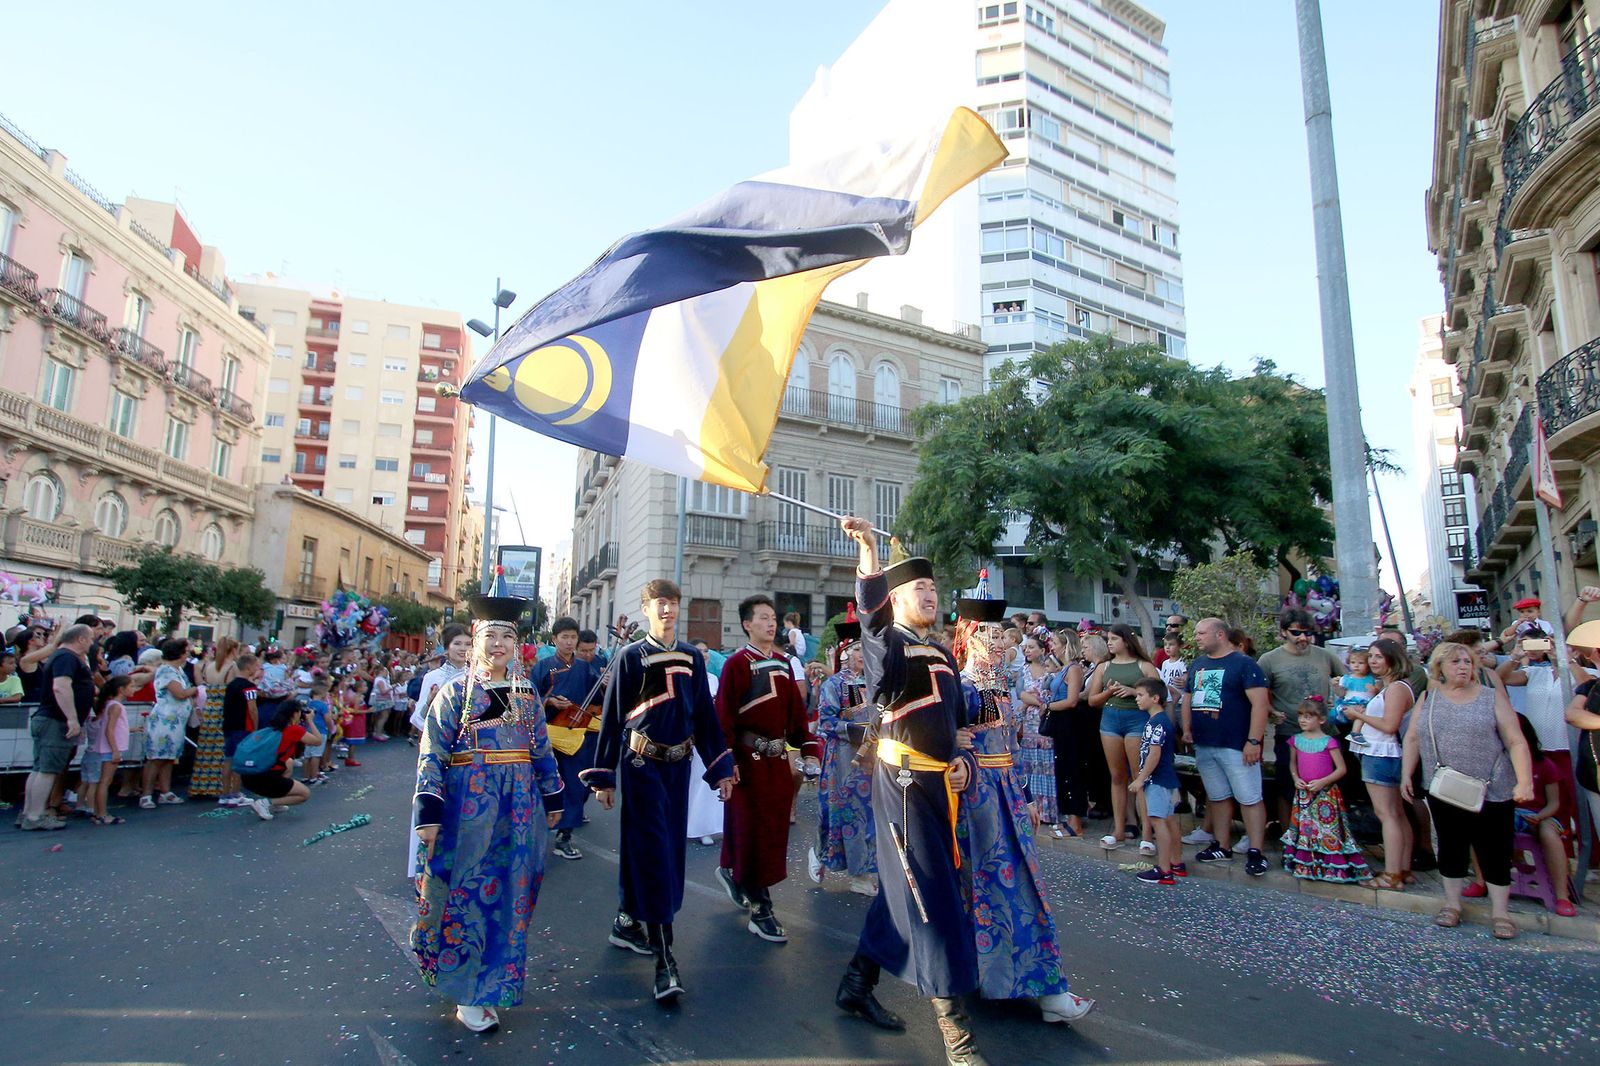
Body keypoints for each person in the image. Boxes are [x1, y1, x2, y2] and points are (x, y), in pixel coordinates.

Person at [831, 517, 988, 1066]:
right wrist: (870, 553)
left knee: (904, 889)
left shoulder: (943, 653)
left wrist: (964, 761)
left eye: (933, 587)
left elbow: (958, 726)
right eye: (918, 588)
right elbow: (870, 623)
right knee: (932, 894)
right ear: (895, 599)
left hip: (939, 785)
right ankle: (957, 1035)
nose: (930, 594)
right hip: (900, 785)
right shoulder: (887, 644)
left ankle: (856, 983)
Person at [412, 595, 564, 1032]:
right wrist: (429, 812)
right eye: (490, 636)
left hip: (519, 813)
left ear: (517, 645)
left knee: (511, 900)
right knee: (468, 899)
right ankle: (466, 993)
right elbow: (432, 756)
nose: (498, 644)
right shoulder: (453, 694)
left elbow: (541, 751)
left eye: (507, 637)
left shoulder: (526, 693)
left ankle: (493, 985)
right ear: (475, 641)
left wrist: (553, 798)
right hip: (468, 815)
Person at [581, 579, 734, 1003]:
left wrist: (720, 766)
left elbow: (704, 715)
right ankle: (665, 960)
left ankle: (627, 920)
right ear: (647, 609)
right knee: (654, 850)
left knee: (663, 851)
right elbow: (612, 719)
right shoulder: (631, 656)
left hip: (679, 767)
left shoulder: (690, 657)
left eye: (673, 603)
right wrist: (604, 775)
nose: (668, 610)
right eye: (660, 604)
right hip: (640, 766)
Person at [951, 594, 1094, 1023]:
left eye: (1001, 635)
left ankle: (1042, 984)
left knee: (1021, 886)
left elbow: (1011, 746)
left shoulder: (1002, 687)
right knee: (979, 888)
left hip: (1008, 792)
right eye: (988, 635)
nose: (998, 643)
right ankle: (982, 975)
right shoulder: (958, 686)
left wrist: (1028, 796)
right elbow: (939, 744)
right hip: (973, 799)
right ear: (970, 637)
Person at [1404, 641, 1535, 938]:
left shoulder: (1491, 698)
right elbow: (1413, 738)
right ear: (1440, 668)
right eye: (1456, 662)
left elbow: (1515, 740)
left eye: (1467, 661)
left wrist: (1524, 780)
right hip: (1445, 787)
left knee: (1495, 848)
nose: (1463, 666)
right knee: (1451, 845)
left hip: (1493, 786)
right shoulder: (1428, 698)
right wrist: (1406, 775)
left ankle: (1500, 912)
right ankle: (1452, 904)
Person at [713, 594, 817, 942]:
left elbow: (797, 718)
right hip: (746, 761)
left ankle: (735, 873)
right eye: (763, 618)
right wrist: (726, 762)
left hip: (776, 764)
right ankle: (761, 908)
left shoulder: (786, 664)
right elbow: (723, 718)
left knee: (772, 832)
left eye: (773, 618)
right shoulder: (736, 664)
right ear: (747, 624)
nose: (771, 624)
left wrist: (809, 748)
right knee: (751, 830)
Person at [1180, 618, 1272, 877]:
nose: (1196, 637)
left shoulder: (1244, 664)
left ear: (1220, 634)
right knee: (1218, 796)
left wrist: (1253, 740)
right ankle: (1222, 845)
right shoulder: (1197, 664)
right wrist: (1187, 729)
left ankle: (1256, 850)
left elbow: (1260, 704)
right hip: (1205, 742)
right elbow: (1188, 697)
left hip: (1236, 744)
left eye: (1201, 633)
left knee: (1249, 797)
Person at [1256, 608, 1346, 827]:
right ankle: (1291, 838)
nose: (1303, 638)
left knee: (1328, 787)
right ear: (1284, 632)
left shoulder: (1324, 655)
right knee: (1288, 786)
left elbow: (1348, 681)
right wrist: (1270, 711)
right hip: (1289, 733)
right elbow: (1256, 692)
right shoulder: (1269, 660)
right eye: (1296, 632)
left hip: (1326, 734)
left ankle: (1326, 837)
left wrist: (1340, 696)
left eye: (1307, 632)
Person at [810, 612, 878, 894]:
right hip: (843, 760)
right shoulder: (833, 685)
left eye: (865, 648)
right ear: (845, 653)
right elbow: (825, 723)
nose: (863, 654)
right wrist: (856, 731)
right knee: (842, 813)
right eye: (857, 649)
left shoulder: (875, 684)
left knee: (871, 814)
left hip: (872, 760)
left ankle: (864, 871)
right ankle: (827, 857)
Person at [531, 616, 605, 862]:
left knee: (574, 785)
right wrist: (549, 701)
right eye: (564, 637)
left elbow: (598, 697)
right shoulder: (543, 667)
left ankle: (564, 835)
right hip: (547, 735)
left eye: (573, 637)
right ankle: (537, 831)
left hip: (576, 735)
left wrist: (606, 685)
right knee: (544, 783)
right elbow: (528, 698)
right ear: (554, 639)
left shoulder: (584, 667)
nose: (569, 642)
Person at [1342, 638, 1414, 891]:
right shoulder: (1391, 687)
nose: (1372, 661)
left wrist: (1359, 714)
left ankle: (1392, 873)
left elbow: (1389, 725)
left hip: (1382, 754)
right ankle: (1402, 868)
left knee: (1388, 815)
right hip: (1382, 753)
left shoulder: (1395, 689)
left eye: (1378, 657)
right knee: (1396, 813)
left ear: (1392, 659)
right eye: (1370, 656)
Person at [1086, 624, 1161, 852]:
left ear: (1126, 641)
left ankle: (1147, 832)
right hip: (1110, 720)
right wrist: (1109, 692)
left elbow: (1159, 694)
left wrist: (1132, 691)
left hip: (1136, 720)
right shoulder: (1104, 666)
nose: (1109, 643)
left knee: (1139, 776)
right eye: (1108, 639)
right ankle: (1118, 828)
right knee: (1117, 776)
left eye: (1114, 639)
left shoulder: (1144, 665)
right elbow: (1092, 700)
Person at [1279, 697, 1370, 883]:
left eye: (1308, 716)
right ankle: (1307, 863)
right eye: (1300, 716)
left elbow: (1341, 769)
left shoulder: (1329, 742)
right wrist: (1296, 779)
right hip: (1304, 793)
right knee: (1307, 830)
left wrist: (1323, 782)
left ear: (1321, 719)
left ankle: (1331, 865)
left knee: (1328, 830)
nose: (1302, 720)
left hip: (1326, 794)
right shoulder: (1295, 741)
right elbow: (1292, 764)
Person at [407, 624, 470, 878]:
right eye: (457, 644)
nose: (463, 649)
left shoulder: (479, 678)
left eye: (468, 644)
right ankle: (427, 869)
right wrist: (432, 705)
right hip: (438, 750)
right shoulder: (432, 678)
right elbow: (418, 718)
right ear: (447, 647)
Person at [18, 623, 91, 830]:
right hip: (55, 720)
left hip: (49, 718)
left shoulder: (60, 656)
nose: (92, 643)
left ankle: (29, 812)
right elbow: (61, 687)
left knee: (40, 768)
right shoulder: (67, 657)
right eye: (90, 639)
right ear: (81, 639)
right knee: (47, 770)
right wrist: (72, 718)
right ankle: (35, 816)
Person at [1512, 713, 1577, 916]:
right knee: (1477, 825)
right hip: (1510, 812)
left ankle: (1561, 896)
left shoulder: (1544, 764)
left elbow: (1554, 803)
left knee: (1549, 834)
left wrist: (1540, 816)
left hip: (1540, 814)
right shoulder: (1500, 763)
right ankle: (1482, 881)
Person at [1128, 678, 1182, 886]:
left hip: (1157, 779)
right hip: (1164, 778)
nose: (1137, 699)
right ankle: (1176, 862)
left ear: (1155, 698)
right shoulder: (1159, 721)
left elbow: (1154, 754)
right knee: (1168, 820)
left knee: (1158, 821)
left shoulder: (1156, 723)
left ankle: (1164, 869)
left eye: (1141, 695)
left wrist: (1141, 779)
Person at [239, 698, 323, 821]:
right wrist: (310, 721)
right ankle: (266, 803)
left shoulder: (271, 728)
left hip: (249, 776)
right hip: (264, 777)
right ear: (294, 714)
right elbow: (318, 741)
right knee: (305, 794)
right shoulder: (293, 730)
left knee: (288, 762)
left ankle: (275, 803)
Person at [1041, 628, 1088, 838]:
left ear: (1065, 645)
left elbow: (1072, 700)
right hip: (1061, 722)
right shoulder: (1065, 668)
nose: (1053, 647)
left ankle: (1075, 820)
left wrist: (1049, 706)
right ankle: (1069, 816)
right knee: (1063, 768)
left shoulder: (1074, 669)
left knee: (1071, 769)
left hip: (1069, 722)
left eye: (1056, 643)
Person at [1014, 633, 1061, 838]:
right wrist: (1038, 702)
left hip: (1046, 721)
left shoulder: (1051, 670)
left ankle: (1049, 810)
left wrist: (1039, 702)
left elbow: (1052, 693)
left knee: (1047, 765)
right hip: (1031, 720)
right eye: (1026, 647)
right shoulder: (1023, 670)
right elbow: (1021, 693)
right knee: (1030, 764)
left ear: (1042, 650)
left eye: (1032, 647)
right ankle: (1033, 807)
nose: (1027, 651)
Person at [193, 637, 240, 800]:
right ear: (233, 650)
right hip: (225, 708)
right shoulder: (232, 666)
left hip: (210, 708)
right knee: (223, 750)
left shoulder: (209, 666)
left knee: (206, 748)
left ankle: (202, 784)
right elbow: (235, 689)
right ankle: (223, 786)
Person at [81, 675, 132, 826]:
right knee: (105, 782)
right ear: (121, 689)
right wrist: (115, 750)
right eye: (131, 686)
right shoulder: (115, 706)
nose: (133, 689)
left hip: (104, 748)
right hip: (109, 749)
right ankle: (102, 813)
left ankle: (98, 813)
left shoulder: (109, 704)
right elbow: (110, 730)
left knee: (101, 782)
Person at [219, 653, 261, 806]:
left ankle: (224, 794)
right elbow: (252, 708)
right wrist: (255, 727)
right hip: (243, 727)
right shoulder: (249, 687)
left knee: (229, 759)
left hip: (229, 726)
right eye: (256, 666)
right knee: (239, 760)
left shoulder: (231, 684)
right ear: (249, 667)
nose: (258, 669)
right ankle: (235, 793)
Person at [1335, 646, 1378, 741]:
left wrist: (1374, 691)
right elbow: (1341, 694)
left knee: (1362, 714)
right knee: (1357, 713)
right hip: (1350, 703)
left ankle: (1355, 732)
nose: (1356, 665)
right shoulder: (1346, 678)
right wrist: (1336, 686)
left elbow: (1376, 695)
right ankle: (1355, 733)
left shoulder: (1371, 679)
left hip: (1365, 704)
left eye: (1361, 663)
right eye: (1353, 663)